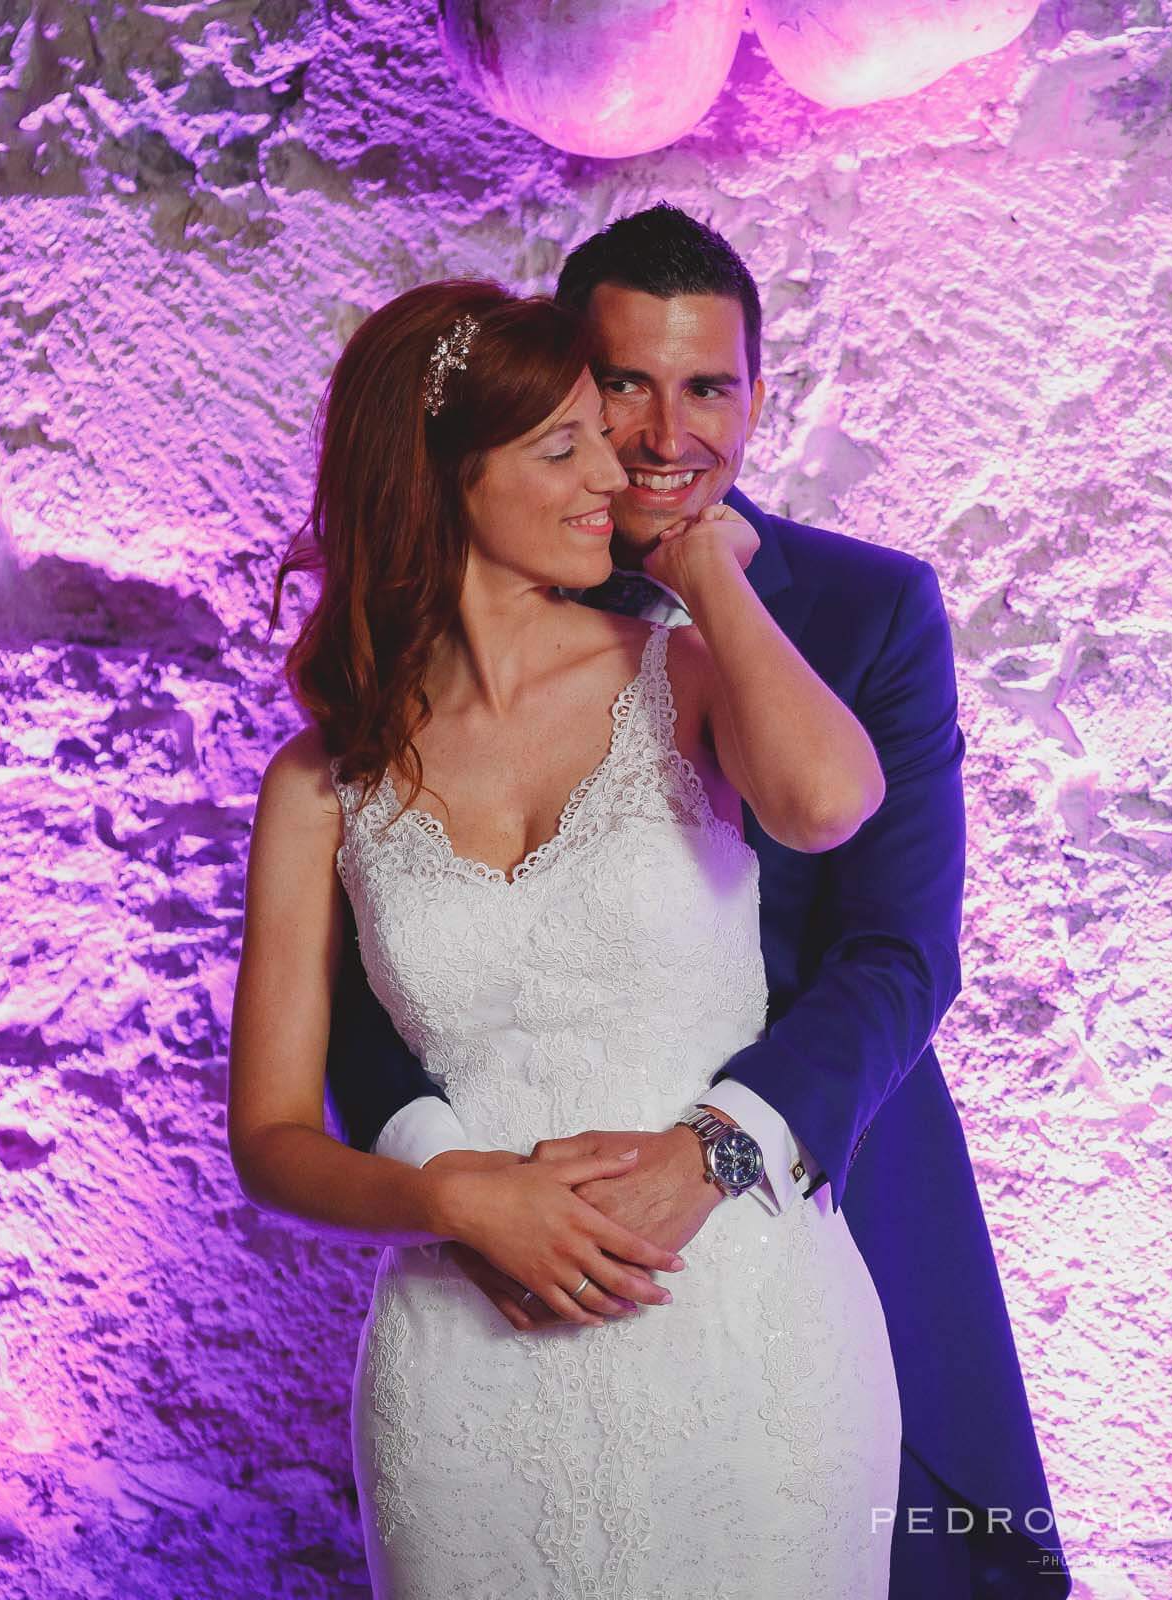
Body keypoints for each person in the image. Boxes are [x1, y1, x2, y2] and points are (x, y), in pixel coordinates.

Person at [325, 207, 1068, 1595]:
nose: (668, 434)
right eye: (623, 384)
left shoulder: (869, 610)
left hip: (809, 1185)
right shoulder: (428, 635)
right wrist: (462, 1181)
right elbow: (360, 980)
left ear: (758, 398)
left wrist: (714, 1153)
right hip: (504, 1253)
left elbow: (899, 953)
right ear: (556, 383)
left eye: (709, 387)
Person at [227, 278, 903, 1593]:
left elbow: (830, 804)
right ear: (439, 477)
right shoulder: (320, 784)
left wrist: (704, 567)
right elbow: (269, 1141)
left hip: (740, 1321)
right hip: (470, 1359)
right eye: (564, 446)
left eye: (605, 434)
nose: (619, 469)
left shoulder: (686, 675)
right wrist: (446, 1197)